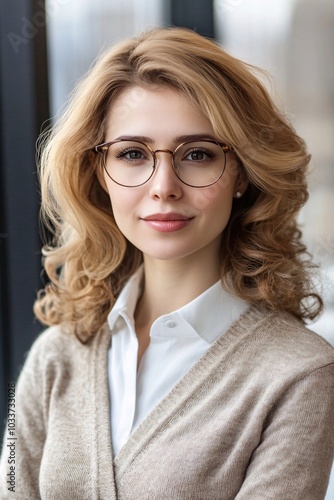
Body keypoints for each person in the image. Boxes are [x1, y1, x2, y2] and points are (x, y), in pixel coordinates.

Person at [1, 27, 333, 500]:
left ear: (241, 172)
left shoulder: (298, 374)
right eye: (132, 154)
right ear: (100, 173)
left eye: (197, 154)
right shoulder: (55, 358)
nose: (163, 186)